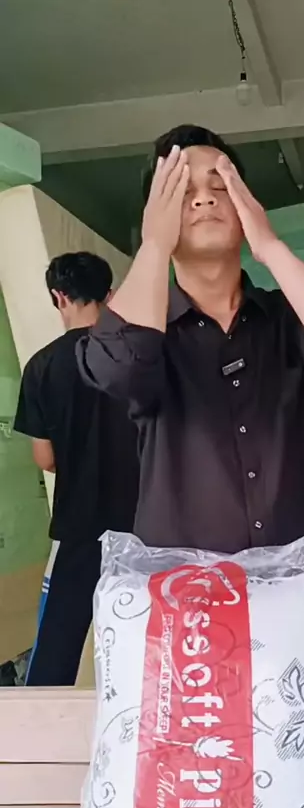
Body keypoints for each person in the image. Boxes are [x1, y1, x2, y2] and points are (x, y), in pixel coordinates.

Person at [78, 125, 304, 629]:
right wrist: (153, 246)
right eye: (182, 192)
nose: (204, 199)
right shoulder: (147, 336)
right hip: (190, 619)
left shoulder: (286, 321)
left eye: (220, 186)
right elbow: (116, 367)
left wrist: (270, 245)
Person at [14, 252, 140, 685]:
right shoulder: (135, 357)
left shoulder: (42, 366)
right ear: (110, 295)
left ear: (59, 296)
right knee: (144, 634)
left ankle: (41, 724)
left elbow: (45, 458)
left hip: (79, 526)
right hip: (144, 525)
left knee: (57, 646)